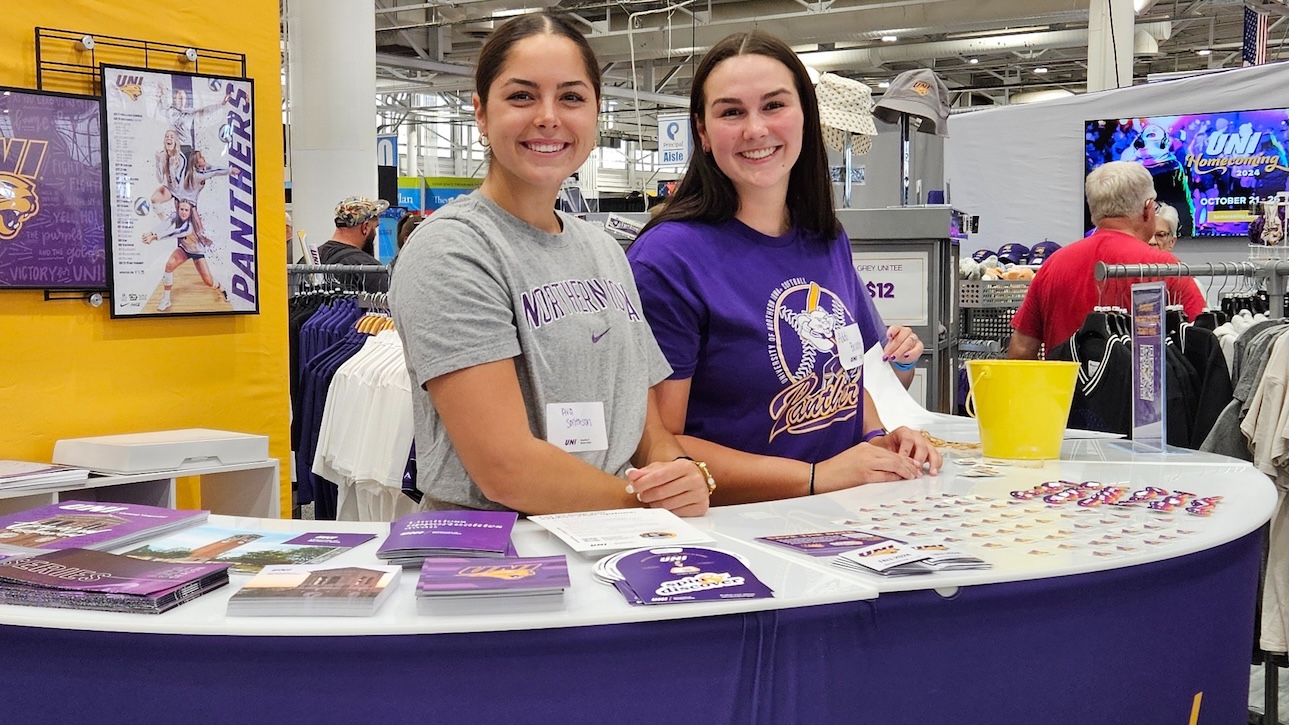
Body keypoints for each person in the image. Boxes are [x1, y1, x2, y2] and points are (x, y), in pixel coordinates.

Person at [389, 12, 710, 517]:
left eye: (571, 97)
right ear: (480, 114)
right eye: (521, 96)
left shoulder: (604, 250)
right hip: (500, 556)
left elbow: (642, 420)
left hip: (614, 532)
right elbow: (506, 469)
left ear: (596, 114)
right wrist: (646, 505)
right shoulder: (452, 251)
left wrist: (677, 475)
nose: (547, 116)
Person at [626, 30, 940, 506]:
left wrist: (879, 438)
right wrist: (814, 476)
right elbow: (661, 445)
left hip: (846, 517)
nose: (755, 129)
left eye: (774, 106)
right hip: (745, 531)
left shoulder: (825, 238)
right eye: (732, 112)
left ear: (805, 119)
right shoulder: (669, 258)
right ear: (703, 133)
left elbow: (844, 381)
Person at [1008, 161, 1206, 359]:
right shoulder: (1165, 268)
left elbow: (1021, 350)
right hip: (1140, 390)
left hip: (1062, 389)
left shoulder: (1053, 265)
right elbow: (1202, 346)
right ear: (1147, 209)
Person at [141, 199, 227, 312]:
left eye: (186, 210)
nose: (183, 212)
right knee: (169, 265)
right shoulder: (175, 215)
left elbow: (175, 233)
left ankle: (222, 289)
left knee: (209, 282)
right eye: (181, 209)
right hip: (184, 249)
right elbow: (165, 225)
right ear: (178, 208)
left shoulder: (189, 226)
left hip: (197, 252)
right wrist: (152, 232)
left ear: (190, 211)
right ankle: (166, 299)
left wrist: (155, 237)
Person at [319, 196, 389, 293]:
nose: (375, 234)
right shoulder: (369, 268)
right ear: (365, 227)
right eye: (375, 228)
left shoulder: (308, 261)